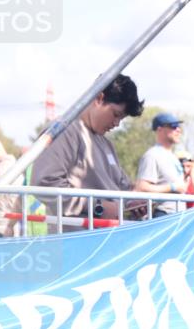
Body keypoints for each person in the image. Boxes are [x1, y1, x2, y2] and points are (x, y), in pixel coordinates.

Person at [31, 74, 144, 221]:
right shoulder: (63, 131)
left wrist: (131, 202)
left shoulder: (106, 143)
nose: (116, 124)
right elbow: (44, 184)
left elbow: (123, 186)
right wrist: (97, 207)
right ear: (99, 98)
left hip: (111, 232)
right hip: (82, 234)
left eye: (121, 119)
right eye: (115, 114)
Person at [135, 112, 192, 215]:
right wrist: (172, 187)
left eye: (178, 127)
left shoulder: (173, 156)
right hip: (163, 215)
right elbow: (141, 188)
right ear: (159, 129)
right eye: (173, 126)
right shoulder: (152, 155)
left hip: (177, 215)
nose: (178, 130)